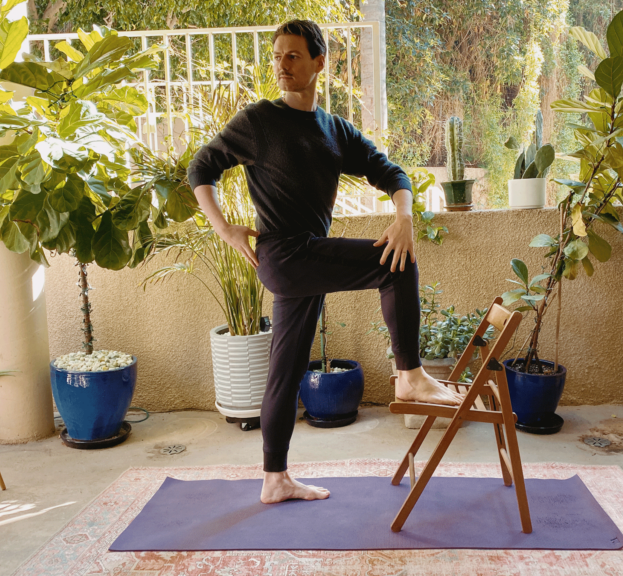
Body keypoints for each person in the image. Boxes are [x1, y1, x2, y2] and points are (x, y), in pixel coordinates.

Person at [188, 19, 464, 505]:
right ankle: (411, 375)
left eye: (293, 56)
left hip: (304, 259)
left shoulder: (334, 129)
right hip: (285, 254)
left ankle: (274, 479)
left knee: (285, 372)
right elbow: (201, 167)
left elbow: (391, 171)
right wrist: (224, 228)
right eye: (277, 56)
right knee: (393, 264)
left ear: (319, 63)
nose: (281, 65)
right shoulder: (258, 121)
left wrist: (404, 216)